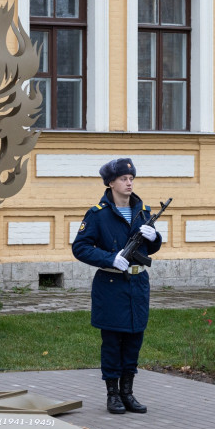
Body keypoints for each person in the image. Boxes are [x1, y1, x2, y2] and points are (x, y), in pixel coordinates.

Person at [71, 158, 163, 414]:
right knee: (112, 342)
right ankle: (112, 394)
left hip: (138, 283)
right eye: (123, 178)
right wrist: (110, 258)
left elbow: (150, 247)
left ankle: (128, 392)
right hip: (111, 285)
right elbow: (80, 248)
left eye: (131, 178)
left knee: (134, 339)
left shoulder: (142, 211)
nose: (129, 182)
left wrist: (155, 238)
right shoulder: (98, 214)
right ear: (110, 183)